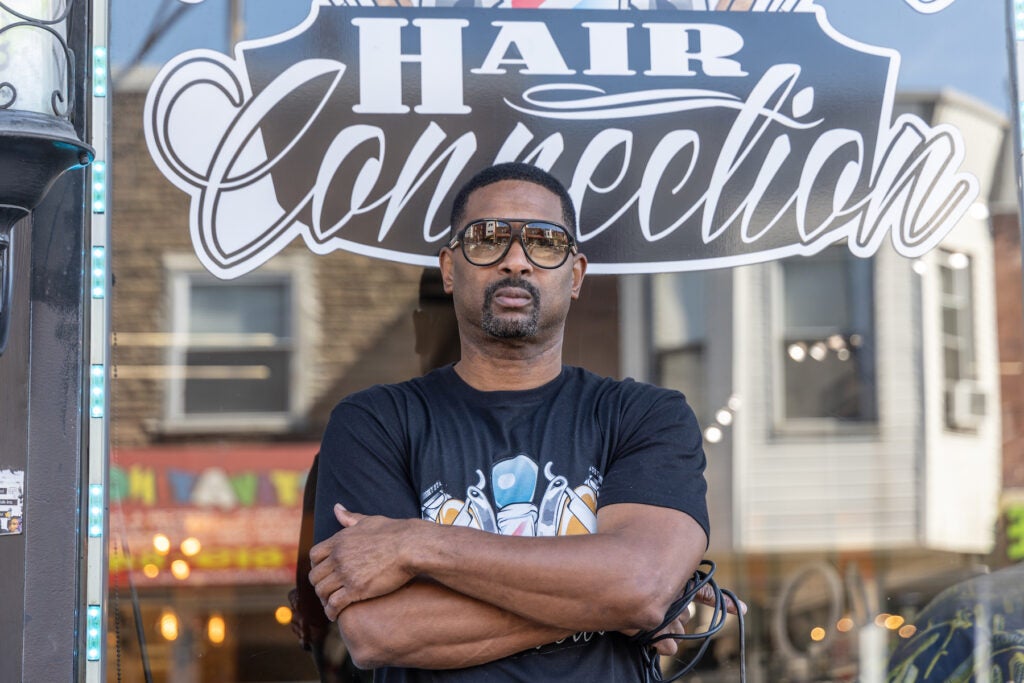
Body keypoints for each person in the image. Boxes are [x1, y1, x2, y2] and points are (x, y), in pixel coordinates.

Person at [309, 162, 717, 681]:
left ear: (575, 275)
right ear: (450, 268)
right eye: (488, 239)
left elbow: (639, 583)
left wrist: (416, 544)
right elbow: (380, 632)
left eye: (545, 243)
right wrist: (615, 603)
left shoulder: (644, 416)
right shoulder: (375, 422)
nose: (516, 262)